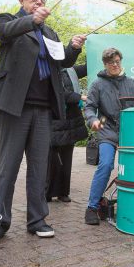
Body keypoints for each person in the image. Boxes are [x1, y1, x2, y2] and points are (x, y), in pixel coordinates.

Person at [0, 0, 86, 243]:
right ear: (22, 0)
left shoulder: (50, 32)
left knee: (40, 167)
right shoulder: (10, 20)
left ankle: (37, 219)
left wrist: (73, 47)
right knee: (8, 166)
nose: (39, 1)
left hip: (44, 109)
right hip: (15, 107)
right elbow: (3, 33)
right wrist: (31, 20)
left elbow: (62, 62)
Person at [84, 47, 134, 225]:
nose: (114, 65)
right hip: (106, 131)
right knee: (105, 164)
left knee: (132, 168)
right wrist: (92, 120)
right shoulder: (97, 84)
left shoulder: (130, 82)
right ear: (105, 64)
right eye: (110, 62)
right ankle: (92, 207)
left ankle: (131, 202)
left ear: (120, 62)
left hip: (129, 133)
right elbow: (89, 107)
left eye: (117, 61)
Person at [46, 63, 88, 203]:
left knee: (66, 158)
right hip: (54, 119)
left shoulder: (71, 70)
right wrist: (79, 97)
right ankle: (47, 192)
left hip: (71, 121)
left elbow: (90, 66)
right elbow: (56, 92)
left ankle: (63, 192)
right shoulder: (47, 70)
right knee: (50, 158)